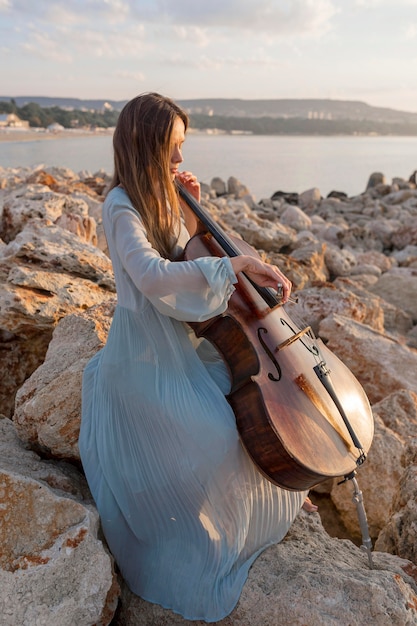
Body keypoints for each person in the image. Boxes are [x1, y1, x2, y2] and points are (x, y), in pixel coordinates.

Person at [79, 92, 316, 623]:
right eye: (172, 150)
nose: (180, 162)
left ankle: (262, 506)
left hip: (180, 346)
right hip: (143, 354)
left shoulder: (163, 197)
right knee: (212, 436)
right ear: (144, 148)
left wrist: (191, 209)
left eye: (182, 148)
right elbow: (153, 277)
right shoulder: (119, 206)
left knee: (239, 413)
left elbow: (184, 254)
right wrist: (235, 267)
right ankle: (188, 541)